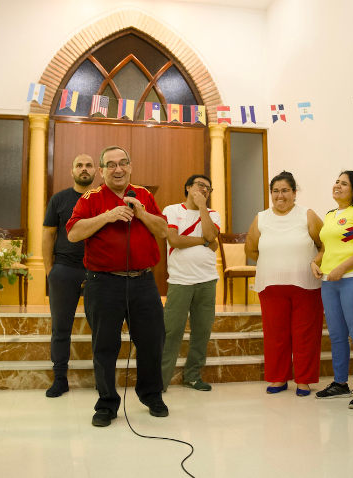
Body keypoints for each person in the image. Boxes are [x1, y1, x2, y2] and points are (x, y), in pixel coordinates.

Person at [66, 146, 168, 427]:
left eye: (123, 163)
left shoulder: (144, 194)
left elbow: (163, 231)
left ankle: (152, 395)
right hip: (103, 283)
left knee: (151, 341)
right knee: (105, 345)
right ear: (101, 171)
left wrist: (142, 214)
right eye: (111, 165)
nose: (118, 168)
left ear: (131, 166)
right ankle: (107, 404)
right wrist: (107, 217)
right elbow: (73, 233)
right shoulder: (91, 198)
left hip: (143, 282)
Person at [245, 171, 323, 397]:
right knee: (275, 335)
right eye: (276, 191)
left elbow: (323, 245)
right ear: (271, 194)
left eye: (285, 191)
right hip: (271, 285)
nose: (280, 195)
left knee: (305, 335)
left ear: (294, 193)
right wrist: (275, 263)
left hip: (306, 285)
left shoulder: (307, 215)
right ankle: (278, 378)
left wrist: (315, 262)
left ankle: (304, 380)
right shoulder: (262, 217)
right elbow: (250, 248)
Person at [311, 171, 353, 409]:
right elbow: (327, 247)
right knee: (337, 335)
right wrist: (316, 262)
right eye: (337, 182)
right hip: (330, 282)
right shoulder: (330, 215)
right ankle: (340, 383)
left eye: (344, 183)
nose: (337, 186)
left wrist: (342, 268)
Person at [43, 154, 96, 397]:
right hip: (64, 269)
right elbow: (48, 235)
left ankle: (102, 379)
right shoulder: (59, 199)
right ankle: (60, 379)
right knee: (61, 328)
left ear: (96, 170)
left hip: (97, 270)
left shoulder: (103, 199)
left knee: (102, 327)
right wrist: (49, 271)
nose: (84, 169)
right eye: (79, 165)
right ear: (71, 171)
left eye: (88, 165)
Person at [160, 174, 220, 392]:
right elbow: (174, 240)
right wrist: (204, 242)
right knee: (171, 332)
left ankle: (193, 376)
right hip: (180, 281)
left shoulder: (213, 214)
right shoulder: (172, 210)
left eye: (208, 188)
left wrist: (203, 207)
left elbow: (211, 234)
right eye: (200, 186)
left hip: (207, 281)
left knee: (202, 331)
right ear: (187, 187)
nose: (204, 190)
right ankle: (161, 380)